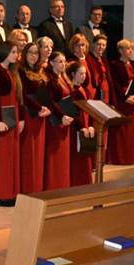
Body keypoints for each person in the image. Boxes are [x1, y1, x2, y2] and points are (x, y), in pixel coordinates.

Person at [0, 38, 24, 205]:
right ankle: (2, 193)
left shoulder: (12, 72)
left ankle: (12, 192)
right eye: (13, 52)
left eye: (17, 52)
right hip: (3, 117)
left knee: (12, 156)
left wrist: (20, 118)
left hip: (13, 115)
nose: (16, 55)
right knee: (2, 157)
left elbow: (18, 98)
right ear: (5, 52)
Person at [107, 38, 134, 165]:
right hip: (121, 102)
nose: (131, 51)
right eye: (128, 48)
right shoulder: (114, 64)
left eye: (132, 49)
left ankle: (130, 157)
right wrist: (125, 97)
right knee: (120, 131)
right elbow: (114, 84)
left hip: (132, 103)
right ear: (120, 50)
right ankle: (118, 158)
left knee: (130, 132)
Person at [19, 42, 50, 194]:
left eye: (36, 53)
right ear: (25, 54)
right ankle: (28, 188)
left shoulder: (41, 70)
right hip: (30, 114)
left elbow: (46, 93)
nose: (33, 56)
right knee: (29, 153)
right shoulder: (21, 71)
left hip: (41, 115)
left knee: (38, 153)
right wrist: (39, 108)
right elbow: (23, 95)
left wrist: (46, 108)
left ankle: (37, 187)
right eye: (30, 52)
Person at [44, 51, 73, 191]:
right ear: (51, 63)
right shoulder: (49, 79)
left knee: (63, 156)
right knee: (55, 154)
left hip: (65, 121)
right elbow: (50, 101)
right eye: (60, 61)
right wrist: (62, 116)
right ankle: (53, 185)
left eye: (64, 61)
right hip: (55, 121)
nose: (63, 64)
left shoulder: (64, 77)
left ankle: (62, 184)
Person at [67, 60, 95, 186]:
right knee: (77, 156)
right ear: (73, 74)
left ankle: (85, 182)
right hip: (77, 126)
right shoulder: (72, 90)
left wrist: (90, 125)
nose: (84, 76)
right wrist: (81, 127)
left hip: (85, 124)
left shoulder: (83, 89)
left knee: (85, 155)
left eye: (84, 74)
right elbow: (73, 112)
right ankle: (77, 182)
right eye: (81, 73)